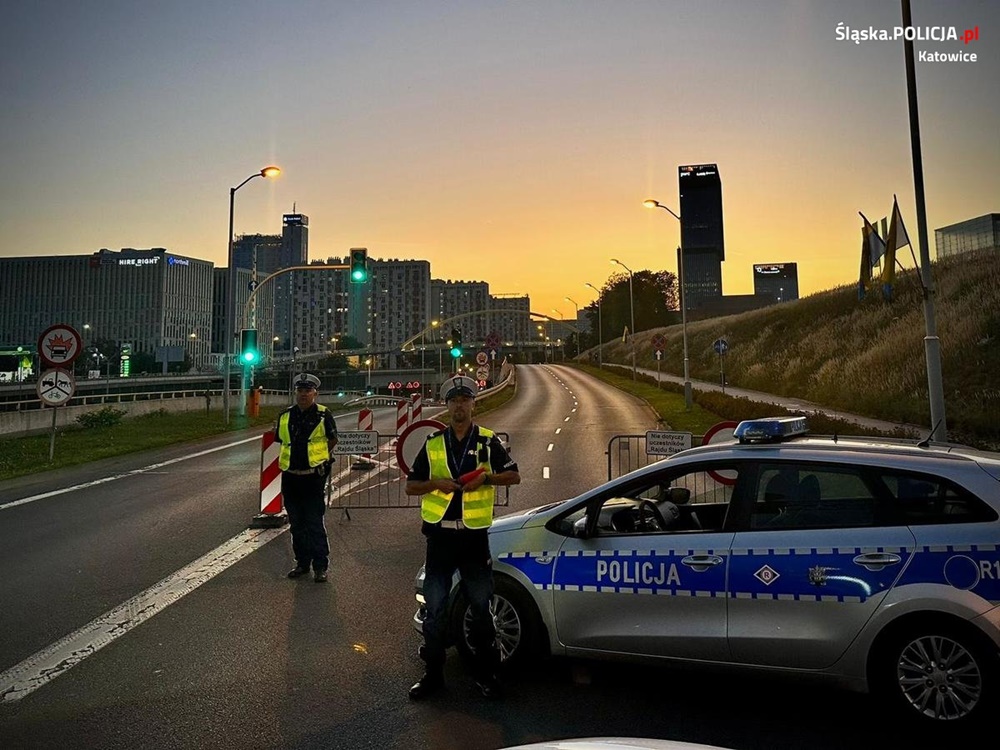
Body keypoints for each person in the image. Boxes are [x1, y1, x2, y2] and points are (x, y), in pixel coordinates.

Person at [405, 374, 520, 700]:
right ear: (447, 406)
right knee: (435, 609)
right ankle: (433, 676)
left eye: (465, 400)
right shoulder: (433, 444)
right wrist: (435, 484)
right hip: (440, 538)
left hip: (473, 539)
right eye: (454, 401)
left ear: (473, 404)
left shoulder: (487, 440)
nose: (459, 406)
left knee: (481, 608)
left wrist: (486, 480)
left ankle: (487, 674)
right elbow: (411, 486)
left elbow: (514, 475)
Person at [273, 373, 338, 583]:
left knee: (314, 523)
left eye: (308, 390)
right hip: (291, 478)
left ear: (314, 393)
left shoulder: (323, 414)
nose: (303, 394)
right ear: (296, 392)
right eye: (300, 390)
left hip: (312, 479)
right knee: (296, 524)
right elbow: (281, 441)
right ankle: (302, 563)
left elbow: (332, 439)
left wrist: (320, 459)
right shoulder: (285, 415)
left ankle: (320, 566)